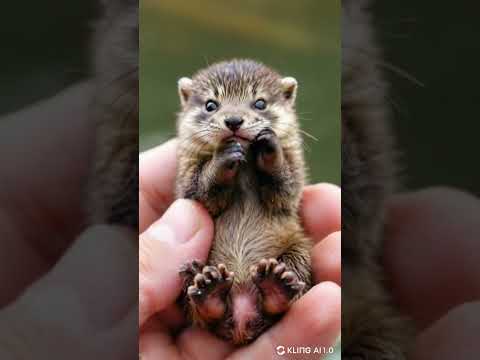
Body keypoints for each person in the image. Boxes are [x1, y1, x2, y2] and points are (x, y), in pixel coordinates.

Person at [0, 82, 478, 359]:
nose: (232, 119)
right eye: (212, 108)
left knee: (299, 250)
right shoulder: (189, 158)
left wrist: (270, 160)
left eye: (257, 108)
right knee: (201, 277)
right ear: (188, 103)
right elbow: (195, 195)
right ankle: (213, 303)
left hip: (279, 263)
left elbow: (288, 198)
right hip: (215, 285)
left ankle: (257, 295)